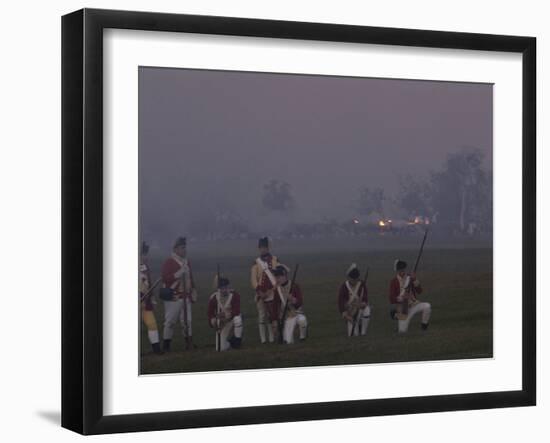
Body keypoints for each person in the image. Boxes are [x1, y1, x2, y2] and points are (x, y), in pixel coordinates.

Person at [160, 236, 198, 351]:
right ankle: (166, 345)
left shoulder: (187, 262)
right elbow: (165, 278)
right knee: (170, 321)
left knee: (187, 321)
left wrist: (193, 289)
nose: (184, 250)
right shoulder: (169, 262)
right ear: (175, 249)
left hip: (186, 295)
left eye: (185, 247)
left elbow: (190, 277)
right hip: (174, 296)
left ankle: (189, 343)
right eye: (182, 247)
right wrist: (177, 274)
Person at [250, 237, 280, 343]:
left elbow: (278, 276)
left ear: (268, 248)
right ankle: (263, 339)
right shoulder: (256, 262)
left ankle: (271, 337)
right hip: (260, 293)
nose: (263, 249)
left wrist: (271, 291)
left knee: (270, 315)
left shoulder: (275, 260)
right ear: (259, 248)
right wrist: (259, 291)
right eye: (261, 247)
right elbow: (254, 279)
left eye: (265, 247)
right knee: (262, 315)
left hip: (272, 291)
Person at [389, 259, 431, 333]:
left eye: (403, 270)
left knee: (427, 306)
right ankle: (396, 316)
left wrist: (414, 280)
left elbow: (419, 291)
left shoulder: (410, 277)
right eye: (400, 270)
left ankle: (424, 328)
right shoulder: (394, 281)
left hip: (414, 304)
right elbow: (391, 298)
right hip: (403, 309)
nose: (402, 272)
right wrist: (400, 299)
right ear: (397, 271)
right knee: (402, 331)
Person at [207, 276, 243, 351]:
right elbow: (210, 313)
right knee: (220, 348)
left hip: (232, 319)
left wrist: (226, 315)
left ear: (229, 286)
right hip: (221, 323)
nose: (224, 290)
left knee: (238, 319)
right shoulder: (213, 297)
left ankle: (237, 341)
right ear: (219, 288)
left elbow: (237, 311)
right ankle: (230, 343)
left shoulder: (235, 295)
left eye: (226, 287)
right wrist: (213, 322)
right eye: (222, 288)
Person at [273, 265, 307, 344]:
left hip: (296, 313)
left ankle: (303, 337)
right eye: (276, 277)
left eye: (278, 277)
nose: (277, 279)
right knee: (288, 341)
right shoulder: (277, 290)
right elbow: (275, 306)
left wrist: (293, 300)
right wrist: (274, 320)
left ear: (284, 276)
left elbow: (300, 302)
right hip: (286, 317)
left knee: (302, 320)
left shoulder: (294, 286)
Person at [139, 241, 162, 354]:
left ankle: (156, 349)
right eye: (143, 254)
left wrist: (151, 298)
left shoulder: (146, 267)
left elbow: (149, 283)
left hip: (145, 301)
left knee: (152, 324)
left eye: (146, 254)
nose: (145, 257)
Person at [338, 263, 370, 336]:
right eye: (353, 279)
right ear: (349, 278)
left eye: (356, 279)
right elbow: (341, 303)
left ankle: (363, 332)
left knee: (367, 310)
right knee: (354, 335)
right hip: (350, 313)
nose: (355, 281)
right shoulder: (344, 287)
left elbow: (365, 299)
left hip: (360, 309)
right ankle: (356, 326)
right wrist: (347, 316)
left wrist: (362, 304)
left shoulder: (362, 284)